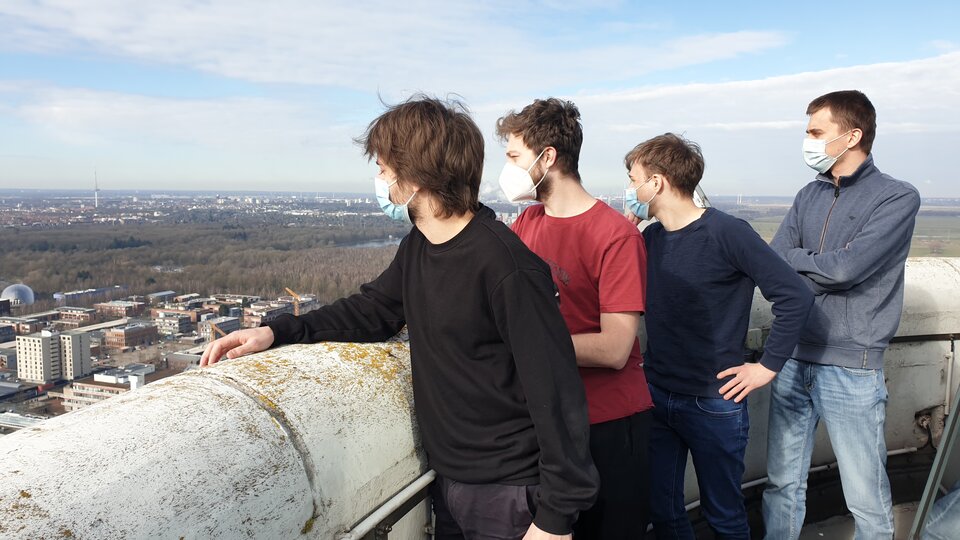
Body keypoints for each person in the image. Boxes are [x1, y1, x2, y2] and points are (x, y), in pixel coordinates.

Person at [200, 96, 599, 540]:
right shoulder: (420, 247)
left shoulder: (507, 267)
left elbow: (558, 394)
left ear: (416, 175)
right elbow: (373, 310)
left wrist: (554, 520)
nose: (381, 179)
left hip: (509, 492)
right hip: (451, 479)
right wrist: (276, 330)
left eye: (385, 168)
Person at [623, 133, 813, 539]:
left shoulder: (727, 232)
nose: (629, 189)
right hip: (657, 394)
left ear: (656, 182)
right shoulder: (649, 239)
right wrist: (628, 227)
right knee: (664, 509)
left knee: (723, 515)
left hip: (713, 401)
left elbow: (794, 295)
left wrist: (766, 367)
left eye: (633, 178)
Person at [763, 90, 921, 540]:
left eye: (816, 132)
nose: (808, 141)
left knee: (866, 498)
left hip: (852, 365)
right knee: (781, 486)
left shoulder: (896, 197)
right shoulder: (806, 194)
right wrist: (822, 266)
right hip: (792, 357)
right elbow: (773, 260)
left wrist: (804, 263)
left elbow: (848, 268)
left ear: (852, 135)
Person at [495, 98, 652, 539]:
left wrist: (526, 345)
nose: (505, 170)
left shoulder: (613, 235)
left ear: (548, 157)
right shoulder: (526, 224)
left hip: (609, 425)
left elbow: (615, 347)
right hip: (548, 422)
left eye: (513, 156)